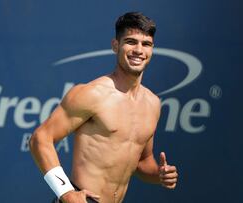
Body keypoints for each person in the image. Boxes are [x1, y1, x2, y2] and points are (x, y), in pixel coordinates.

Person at [29, 12, 178, 203]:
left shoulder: (153, 104)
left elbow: (141, 162)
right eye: (131, 42)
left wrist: (159, 174)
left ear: (152, 49)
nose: (139, 50)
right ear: (116, 46)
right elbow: (40, 139)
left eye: (146, 44)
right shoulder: (92, 94)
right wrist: (65, 192)